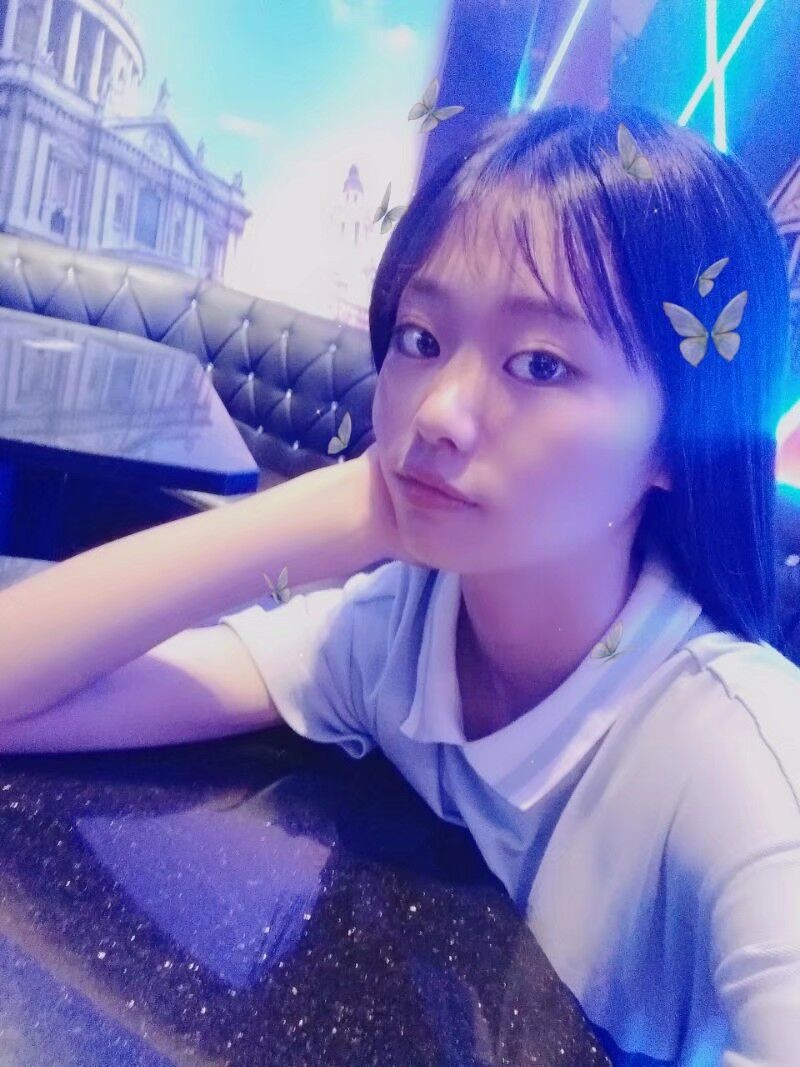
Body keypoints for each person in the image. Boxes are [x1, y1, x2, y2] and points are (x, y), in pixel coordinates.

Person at [0, 103, 798, 1064]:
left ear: (682, 438)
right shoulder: (405, 633)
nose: (439, 412)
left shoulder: (737, 756)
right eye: (420, 338)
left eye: (540, 363)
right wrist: (317, 516)